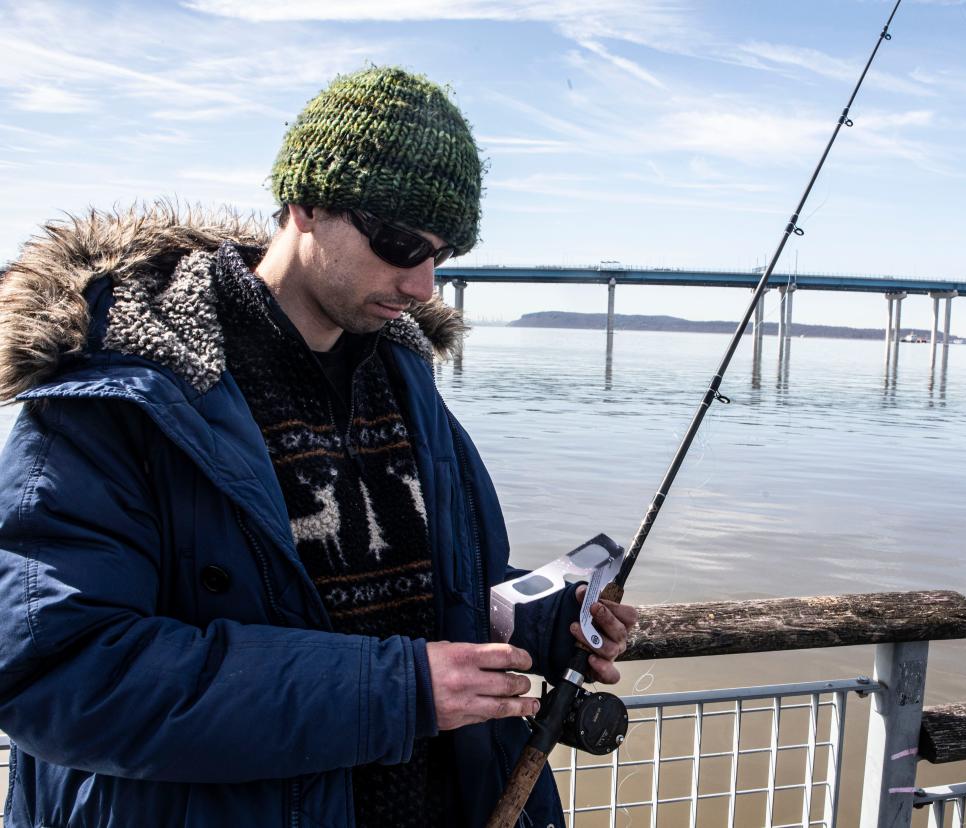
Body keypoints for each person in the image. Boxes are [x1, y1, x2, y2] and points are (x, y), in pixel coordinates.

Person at [0, 66, 637, 828]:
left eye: (442, 253)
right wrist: (395, 691)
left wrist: (535, 626)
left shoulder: (405, 379)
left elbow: (404, 595)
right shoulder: (125, 390)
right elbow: (59, 670)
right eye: (401, 244)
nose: (423, 284)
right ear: (303, 204)